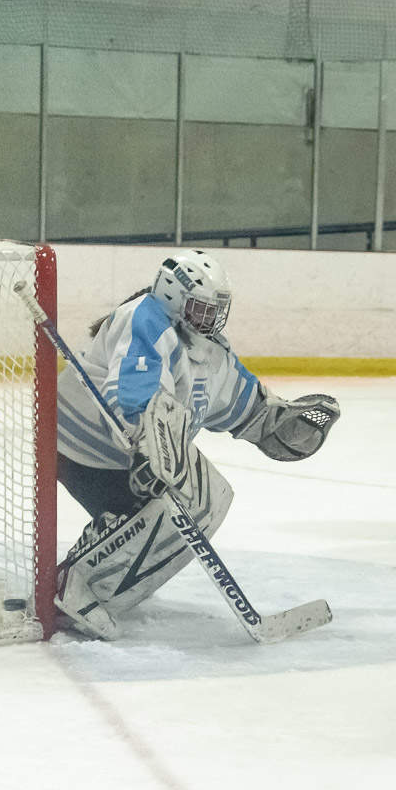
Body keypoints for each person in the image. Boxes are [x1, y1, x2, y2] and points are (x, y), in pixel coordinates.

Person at [53, 250, 341, 639]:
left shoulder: (208, 348)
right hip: (82, 448)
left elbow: (238, 402)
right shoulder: (147, 318)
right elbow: (137, 389)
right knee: (197, 496)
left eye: (216, 309)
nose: (212, 318)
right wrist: (146, 442)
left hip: (126, 459)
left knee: (211, 497)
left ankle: (104, 566)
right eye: (202, 307)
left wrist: (274, 422)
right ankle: (77, 584)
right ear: (173, 298)